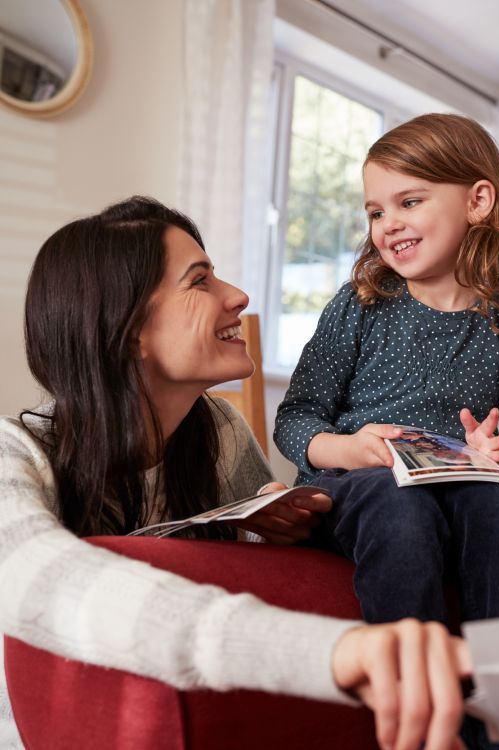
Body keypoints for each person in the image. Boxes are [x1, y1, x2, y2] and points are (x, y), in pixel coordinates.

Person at [0, 196, 471, 750]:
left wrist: (279, 529)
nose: (239, 297)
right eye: (200, 281)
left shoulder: (218, 430)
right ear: (129, 332)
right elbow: (34, 577)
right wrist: (334, 651)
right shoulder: (16, 452)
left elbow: (273, 574)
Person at [275, 113, 499, 747]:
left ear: (478, 201)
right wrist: (347, 449)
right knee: (398, 506)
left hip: (465, 485)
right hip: (362, 485)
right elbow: (295, 417)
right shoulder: (360, 303)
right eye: (376, 211)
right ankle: (423, 717)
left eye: (409, 201)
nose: (388, 224)